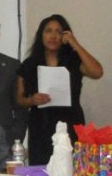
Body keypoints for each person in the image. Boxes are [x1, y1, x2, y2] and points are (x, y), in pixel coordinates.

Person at [16, 14, 104, 165]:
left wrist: (75, 44)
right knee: (42, 169)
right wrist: (32, 100)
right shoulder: (30, 63)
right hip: (41, 124)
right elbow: (19, 100)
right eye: (48, 31)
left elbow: (97, 72)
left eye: (58, 32)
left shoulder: (73, 61)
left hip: (71, 122)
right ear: (41, 35)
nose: (53, 36)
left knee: (73, 167)